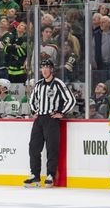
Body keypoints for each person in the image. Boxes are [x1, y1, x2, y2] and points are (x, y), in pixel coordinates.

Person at [24, 59, 76, 188]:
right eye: (42, 67)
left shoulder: (58, 83)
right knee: (33, 147)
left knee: (52, 149)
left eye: (47, 67)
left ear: (52, 69)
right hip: (39, 119)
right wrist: (34, 111)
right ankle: (35, 175)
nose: (44, 70)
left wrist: (62, 113)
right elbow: (32, 100)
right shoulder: (38, 84)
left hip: (51, 120)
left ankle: (50, 175)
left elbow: (71, 100)